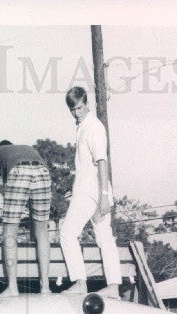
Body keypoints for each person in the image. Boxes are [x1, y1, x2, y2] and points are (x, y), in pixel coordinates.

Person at [59, 86, 124, 294]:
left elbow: (102, 162)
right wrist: (74, 189)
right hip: (87, 189)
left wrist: (104, 196)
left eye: (79, 108)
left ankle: (80, 282)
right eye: (73, 110)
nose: (76, 113)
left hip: (93, 191)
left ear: (86, 103)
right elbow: (85, 166)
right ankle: (113, 286)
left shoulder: (94, 127)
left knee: (67, 233)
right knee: (104, 237)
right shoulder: (82, 127)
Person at [0, 140, 52, 295]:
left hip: (19, 172)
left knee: (10, 233)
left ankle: (13, 288)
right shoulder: (27, 148)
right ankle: (46, 287)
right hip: (43, 172)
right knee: (42, 233)